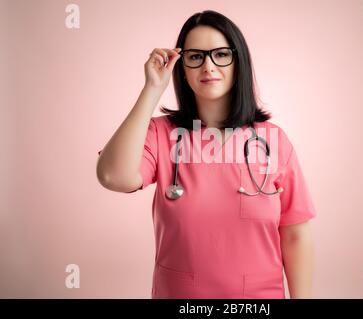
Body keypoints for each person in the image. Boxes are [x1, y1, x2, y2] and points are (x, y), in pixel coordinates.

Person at [96, 10, 317, 299]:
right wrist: (152, 88)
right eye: (195, 56)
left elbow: (295, 234)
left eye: (221, 54)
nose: (208, 66)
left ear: (238, 62)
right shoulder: (161, 135)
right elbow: (113, 176)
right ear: (182, 67)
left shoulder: (273, 140)